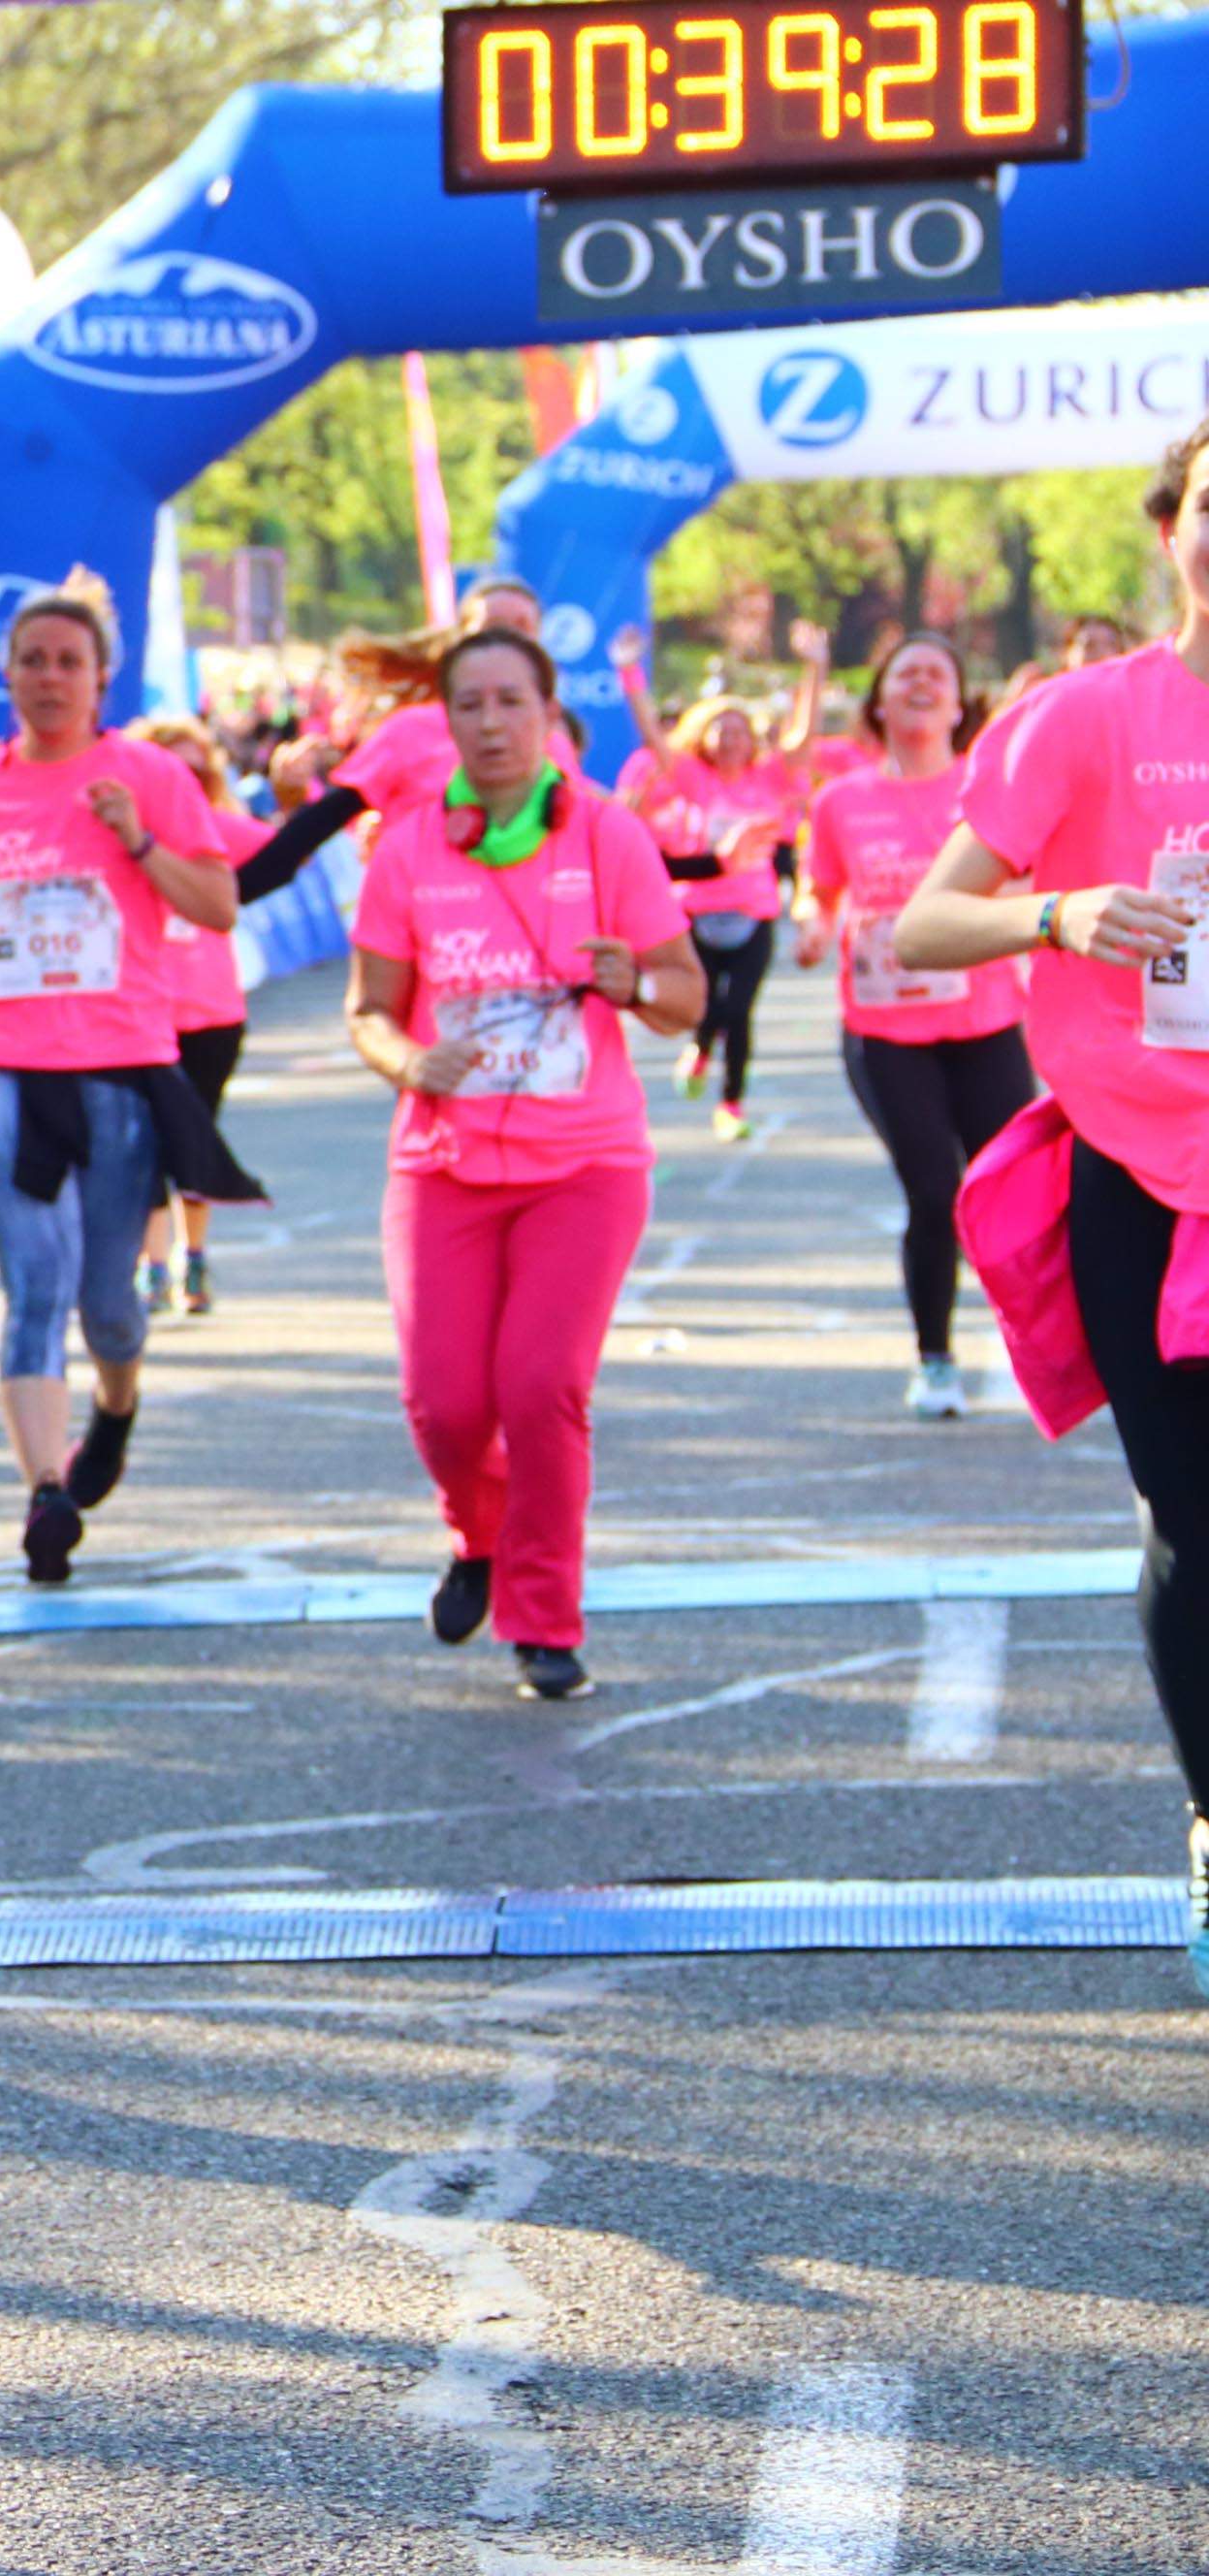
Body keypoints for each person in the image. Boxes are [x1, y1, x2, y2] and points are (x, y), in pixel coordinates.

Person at [889, 417, 1209, 1990]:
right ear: (1170, 531)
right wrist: (1061, 910)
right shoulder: (1083, 721)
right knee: (1193, 1519)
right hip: (1136, 1178)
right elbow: (923, 918)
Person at [346, 628, 703, 1703]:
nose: (491, 724)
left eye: (511, 702)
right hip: (443, 1164)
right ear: (444, 721)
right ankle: (478, 1528)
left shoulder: (609, 838)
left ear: (549, 716)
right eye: (469, 705)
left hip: (582, 1165)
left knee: (543, 1386)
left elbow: (687, 998)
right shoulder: (408, 848)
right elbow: (367, 1011)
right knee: (445, 1406)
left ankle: (545, 1621)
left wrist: (634, 981)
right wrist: (412, 1057)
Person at [0, 589, 247, 1583]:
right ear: (8, 676)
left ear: (100, 679)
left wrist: (137, 839)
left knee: (109, 1304)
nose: (50, 677)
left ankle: (117, 1409)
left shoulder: (153, 776)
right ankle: (46, 1493)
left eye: (68, 661)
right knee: (34, 1283)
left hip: (117, 1062)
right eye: (33, 660)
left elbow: (217, 904)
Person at [796, 634, 1029, 1417]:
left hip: (988, 1020)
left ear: (959, 704)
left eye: (940, 673)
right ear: (880, 702)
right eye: (907, 673)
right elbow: (819, 889)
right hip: (885, 1031)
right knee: (933, 1191)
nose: (924, 683)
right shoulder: (841, 801)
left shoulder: (988, 789)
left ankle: (1040, 1346)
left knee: (1006, 1191)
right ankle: (935, 1359)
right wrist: (808, 924)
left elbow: (1034, 880)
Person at [614, 623, 826, 1141]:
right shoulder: (691, 778)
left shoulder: (769, 779)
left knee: (741, 1009)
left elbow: (802, 740)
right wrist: (629, 672)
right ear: (703, 735)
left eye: (739, 730)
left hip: (753, 912)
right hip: (698, 910)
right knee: (707, 1003)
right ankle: (701, 1045)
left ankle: (731, 1103)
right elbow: (653, 739)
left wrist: (816, 667)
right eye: (720, 729)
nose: (731, 738)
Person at [248, 575, 544, 875]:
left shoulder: (554, 735)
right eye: (492, 627)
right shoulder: (411, 730)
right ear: (461, 640)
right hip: (427, 913)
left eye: (522, 627)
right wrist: (239, 888)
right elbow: (315, 829)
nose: (508, 641)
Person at [125, 714, 270, 1318]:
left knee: (194, 1139)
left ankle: (196, 1258)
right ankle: (153, 1266)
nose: (188, 780)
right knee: (143, 1148)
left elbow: (286, 853)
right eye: (173, 769)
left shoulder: (221, 831)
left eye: (199, 769)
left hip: (211, 1014)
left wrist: (294, 797)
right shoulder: (117, 836)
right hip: (138, 1013)